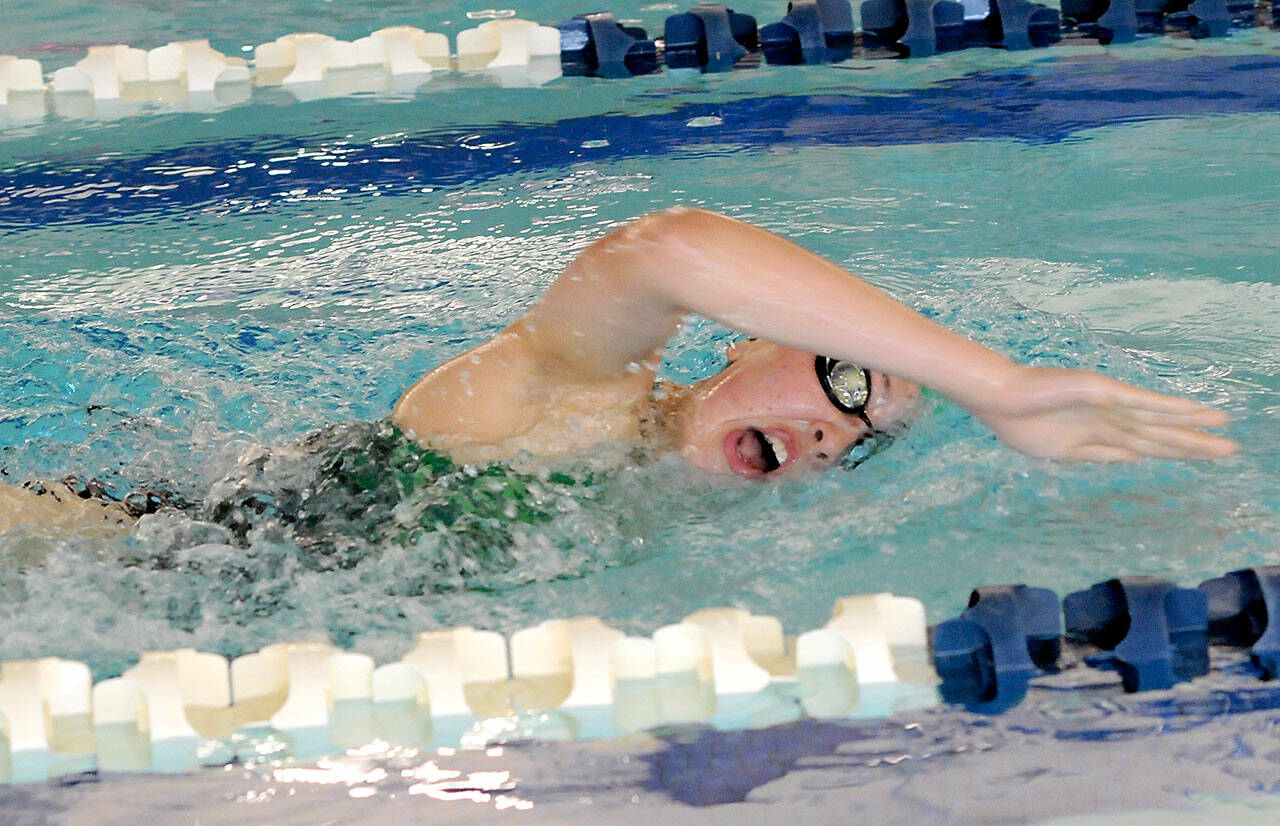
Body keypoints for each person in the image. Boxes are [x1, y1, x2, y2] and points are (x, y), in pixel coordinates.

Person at [0, 207, 1236, 538]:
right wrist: (994, 382)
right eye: (844, 383)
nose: (832, 434)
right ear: (740, 344)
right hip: (91, 549)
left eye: (864, 441)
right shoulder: (564, 408)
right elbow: (665, 247)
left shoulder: (664, 518)